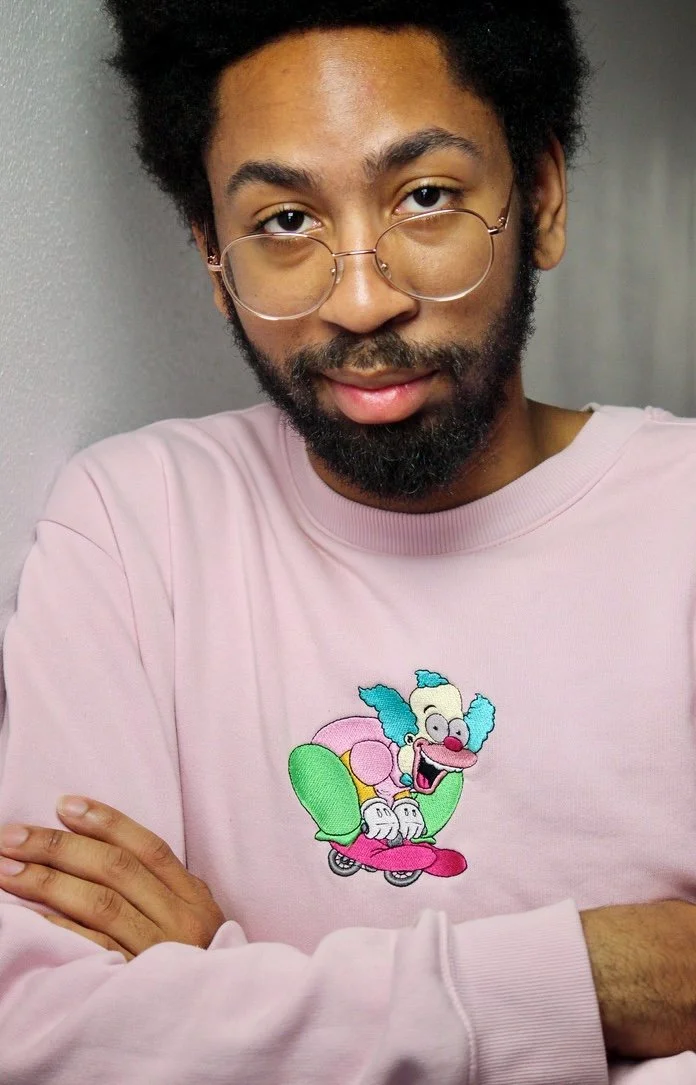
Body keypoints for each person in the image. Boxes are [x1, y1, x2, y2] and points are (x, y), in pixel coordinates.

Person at [0, 1, 694, 1081]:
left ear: (542, 197)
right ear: (212, 254)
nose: (362, 301)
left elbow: (139, 1045)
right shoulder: (135, 523)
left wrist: (224, 991)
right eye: (283, 221)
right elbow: (48, 1037)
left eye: (426, 198)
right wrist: (590, 979)